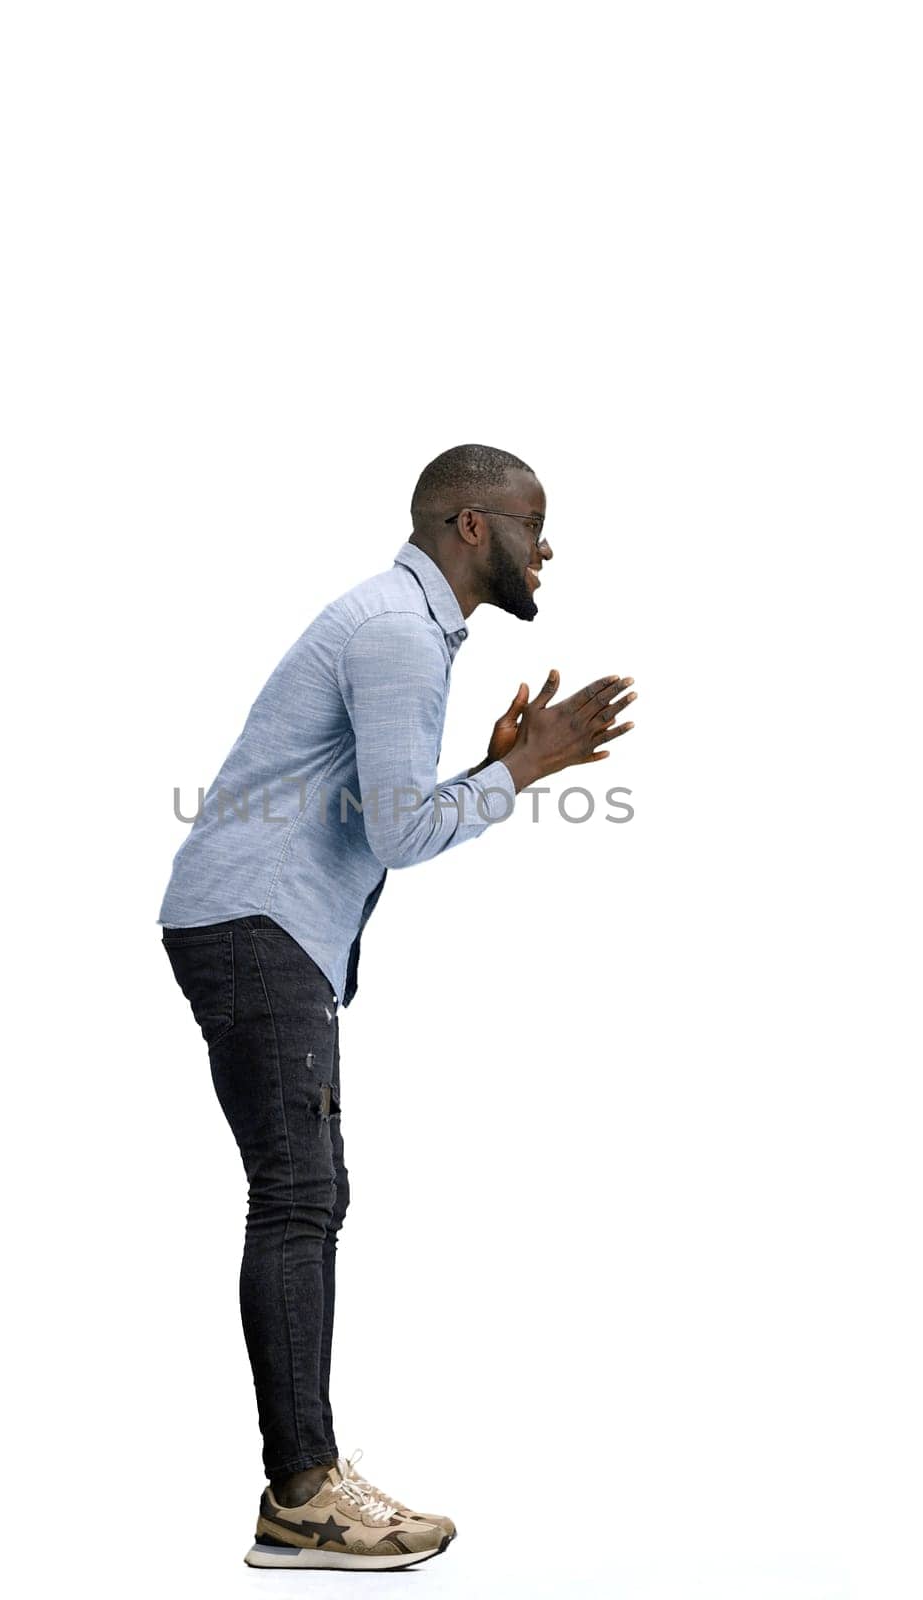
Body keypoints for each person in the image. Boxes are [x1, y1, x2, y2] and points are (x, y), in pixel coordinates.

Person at [157, 443, 636, 1570]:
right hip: (255, 925)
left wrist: (493, 762)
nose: (545, 544)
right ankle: (302, 1494)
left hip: (258, 926)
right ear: (471, 527)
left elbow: (388, 804)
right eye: (532, 521)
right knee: (298, 1191)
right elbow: (400, 834)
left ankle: (302, 1486)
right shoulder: (397, 633)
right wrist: (529, 769)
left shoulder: (399, 624)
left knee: (304, 1189)